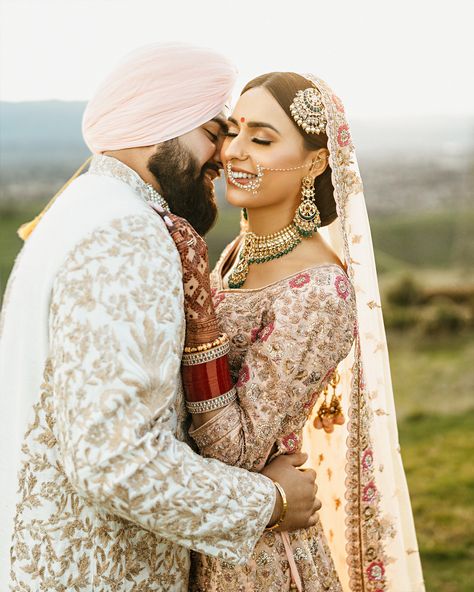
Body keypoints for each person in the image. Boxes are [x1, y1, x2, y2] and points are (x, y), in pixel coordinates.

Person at [0, 45, 321, 590]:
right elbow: (115, 460)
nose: (223, 156)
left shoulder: (81, 208)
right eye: (214, 130)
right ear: (159, 124)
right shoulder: (127, 233)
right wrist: (271, 501)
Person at [174, 73, 426, 591]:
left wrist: (198, 327)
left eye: (262, 139)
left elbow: (238, 452)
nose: (234, 153)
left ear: (315, 161)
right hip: (211, 527)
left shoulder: (317, 290)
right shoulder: (236, 254)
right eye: (233, 131)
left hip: (256, 560)